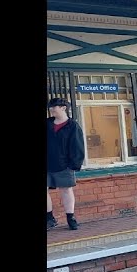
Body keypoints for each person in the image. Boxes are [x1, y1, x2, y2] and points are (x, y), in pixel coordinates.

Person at [47, 98, 85, 230]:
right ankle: (49, 218)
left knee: (66, 190)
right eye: (50, 107)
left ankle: (71, 218)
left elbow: (77, 146)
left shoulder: (72, 126)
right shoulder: (47, 124)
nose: (51, 109)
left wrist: (74, 164)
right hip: (47, 163)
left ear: (63, 108)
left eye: (54, 107)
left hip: (64, 165)